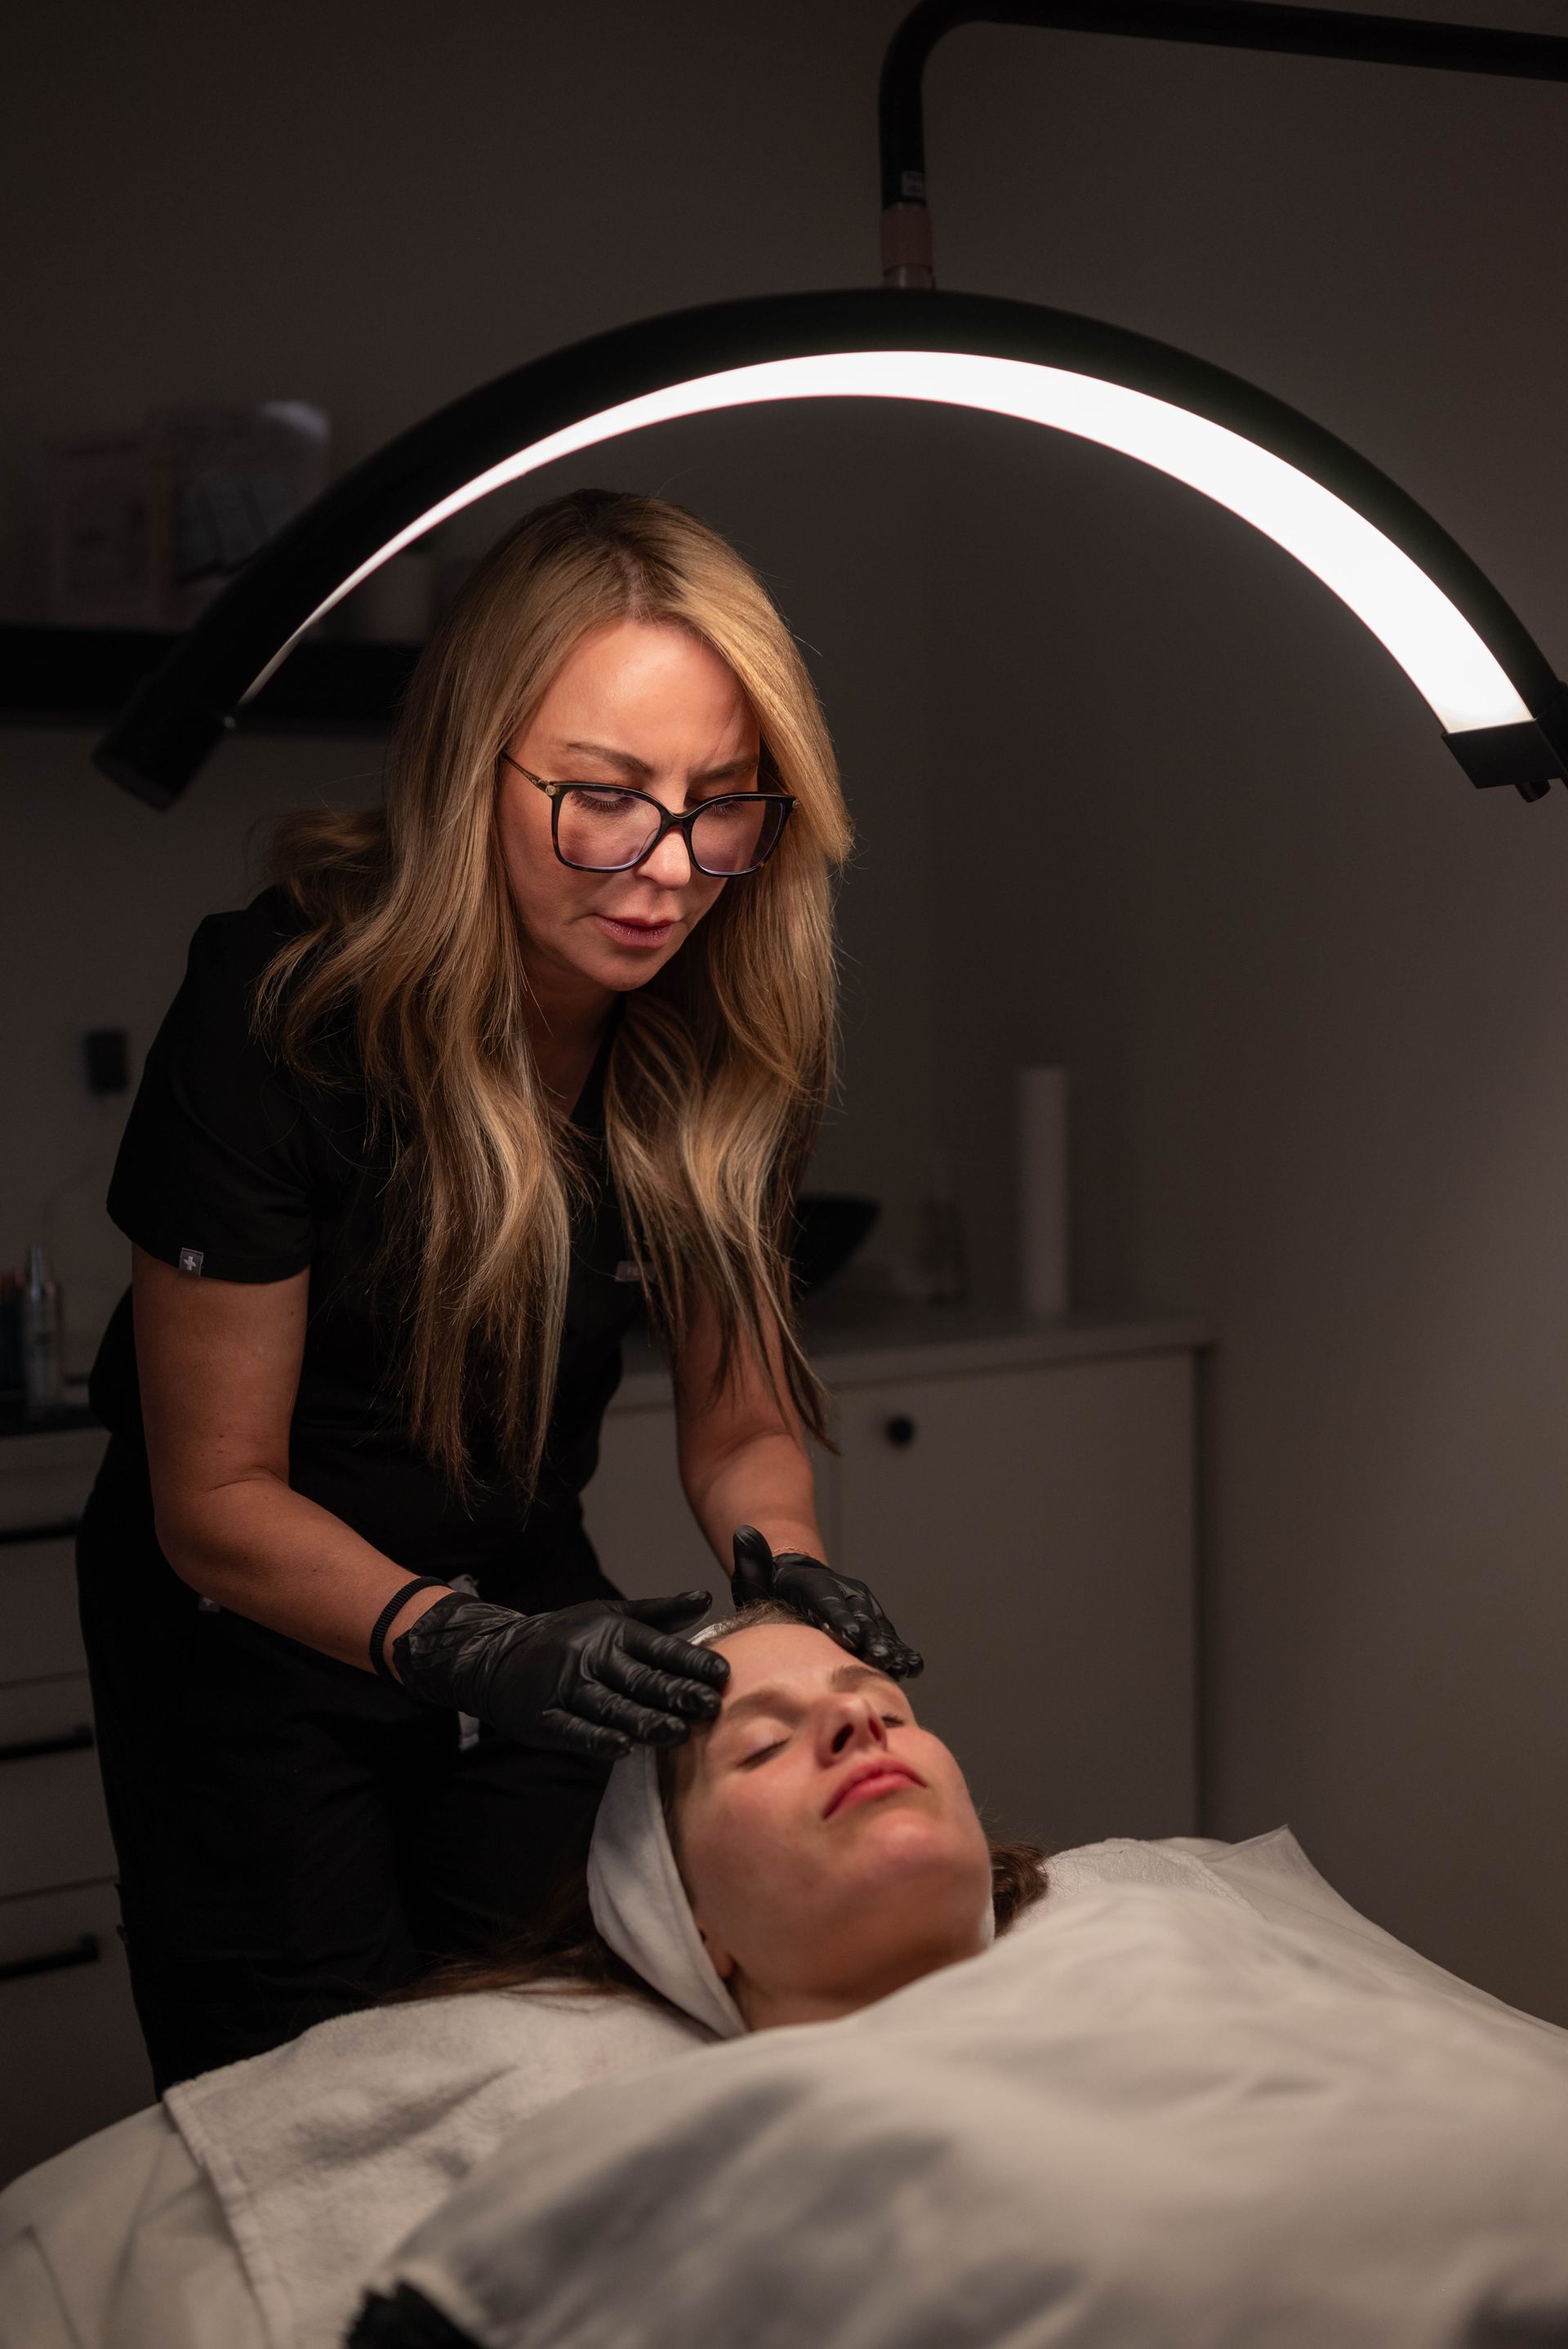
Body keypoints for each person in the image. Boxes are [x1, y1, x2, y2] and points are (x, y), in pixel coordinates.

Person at [75, 487, 922, 2091]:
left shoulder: (713, 1030)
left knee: (569, 2055)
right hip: (245, 1631)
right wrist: (462, 1647)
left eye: (721, 804)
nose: (666, 872)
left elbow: (741, 1425)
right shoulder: (277, 1017)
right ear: (477, 766)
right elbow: (216, 1500)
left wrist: (784, 1570)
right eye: (602, 798)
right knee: (322, 2104)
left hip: (521, 1576)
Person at [392, 1598, 1050, 2031]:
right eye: (763, 1746)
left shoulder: (1145, 1947)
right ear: (690, 1923)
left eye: (889, 1713)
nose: (854, 1718)